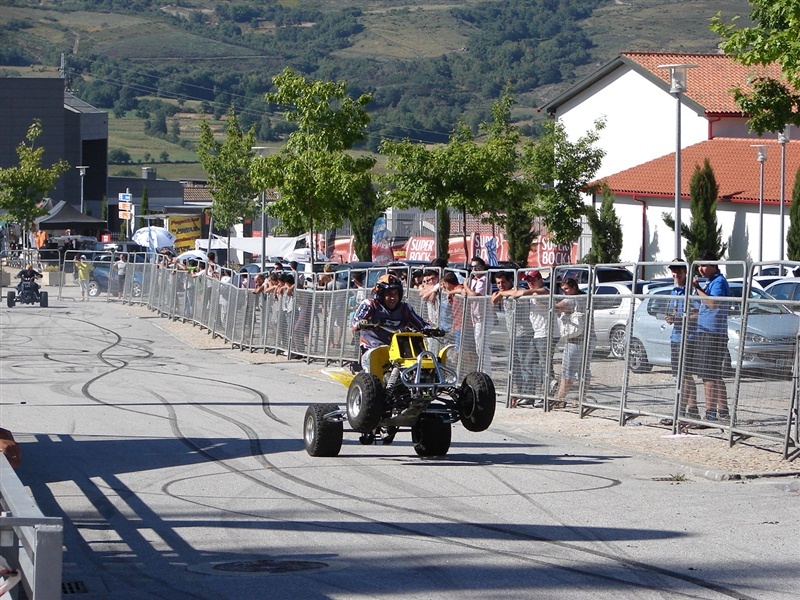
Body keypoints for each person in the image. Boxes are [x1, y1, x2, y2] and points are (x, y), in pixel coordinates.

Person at [351, 274, 430, 372]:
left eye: (396, 293)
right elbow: (354, 324)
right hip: (373, 348)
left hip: (399, 350)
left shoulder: (405, 308)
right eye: (389, 294)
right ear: (381, 294)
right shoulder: (370, 304)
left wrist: (431, 329)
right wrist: (361, 323)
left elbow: (421, 324)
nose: (393, 298)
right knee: (374, 374)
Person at [692, 252, 731, 422]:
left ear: (714, 266)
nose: (701, 269)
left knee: (708, 375)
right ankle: (723, 411)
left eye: (704, 265)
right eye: (699, 266)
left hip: (713, 333)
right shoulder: (710, 282)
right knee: (714, 374)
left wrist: (698, 288)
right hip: (707, 332)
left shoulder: (718, 282)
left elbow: (713, 304)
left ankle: (710, 414)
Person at [661, 260, 700, 425]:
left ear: (685, 272)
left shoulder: (691, 291)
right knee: (680, 376)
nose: (676, 274)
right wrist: (670, 317)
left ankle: (685, 411)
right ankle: (690, 410)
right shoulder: (674, 291)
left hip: (688, 338)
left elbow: (697, 314)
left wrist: (680, 318)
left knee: (685, 375)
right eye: (673, 271)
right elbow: (674, 311)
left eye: (679, 271)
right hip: (676, 337)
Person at [554, 277, 596, 406]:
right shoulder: (585, 298)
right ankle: (580, 397)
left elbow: (556, 308)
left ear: (574, 288)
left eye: (566, 289)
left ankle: (560, 399)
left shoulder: (572, 300)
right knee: (583, 369)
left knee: (568, 370)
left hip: (576, 339)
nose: (564, 292)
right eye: (562, 290)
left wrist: (545, 297)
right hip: (589, 338)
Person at [463, 256, 492, 373]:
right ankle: (483, 370)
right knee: (479, 347)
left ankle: (487, 373)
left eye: (477, 267)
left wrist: (466, 286)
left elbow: (475, 295)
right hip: (476, 318)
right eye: (472, 267)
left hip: (483, 318)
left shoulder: (484, 280)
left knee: (482, 347)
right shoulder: (473, 280)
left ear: (483, 268)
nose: (473, 269)